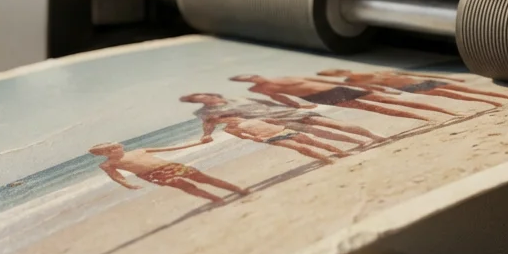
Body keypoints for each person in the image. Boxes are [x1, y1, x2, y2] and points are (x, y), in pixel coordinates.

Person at [179, 93, 386, 146]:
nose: (202, 100)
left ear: (208, 94)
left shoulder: (237, 98)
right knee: (318, 132)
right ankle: (358, 142)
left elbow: (266, 101)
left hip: (284, 113)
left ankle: (373, 136)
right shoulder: (205, 112)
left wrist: (298, 105)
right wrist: (205, 136)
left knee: (329, 123)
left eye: (201, 96)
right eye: (196, 100)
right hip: (270, 123)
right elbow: (208, 124)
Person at [148, 107, 346, 163]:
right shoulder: (228, 128)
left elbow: (268, 117)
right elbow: (245, 136)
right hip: (268, 137)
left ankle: (339, 152)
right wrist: (256, 138)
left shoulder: (242, 115)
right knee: (301, 148)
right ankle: (326, 159)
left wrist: (280, 122)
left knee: (311, 141)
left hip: (281, 130)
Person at [229, 74, 459, 120]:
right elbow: (281, 98)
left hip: (335, 89)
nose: (250, 78)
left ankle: (445, 112)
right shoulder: (258, 90)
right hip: (320, 96)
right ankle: (424, 119)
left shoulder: (282, 76)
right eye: (244, 79)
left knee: (388, 101)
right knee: (378, 109)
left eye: (249, 75)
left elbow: (320, 79)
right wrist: (298, 108)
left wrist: (362, 85)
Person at [88, 142, 247, 205]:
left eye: (117, 146)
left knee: (204, 178)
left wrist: (199, 143)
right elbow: (115, 176)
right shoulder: (107, 164)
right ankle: (216, 199)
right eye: (110, 150)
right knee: (186, 186)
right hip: (152, 174)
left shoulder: (139, 150)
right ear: (102, 154)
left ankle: (238, 189)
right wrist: (127, 184)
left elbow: (171, 148)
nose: (116, 150)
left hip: (169, 166)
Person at [315, 69, 508, 107]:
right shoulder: (351, 82)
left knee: (468, 92)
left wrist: (443, 76)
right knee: (459, 97)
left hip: (414, 82)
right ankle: (492, 103)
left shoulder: (373, 71)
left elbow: (400, 73)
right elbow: (379, 89)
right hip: (411, 87)